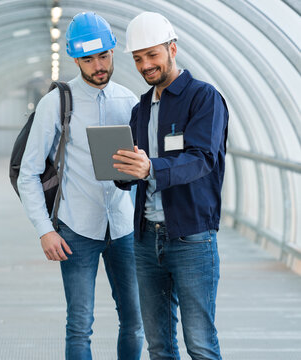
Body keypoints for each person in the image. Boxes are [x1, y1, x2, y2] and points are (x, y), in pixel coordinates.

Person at [18, 12, 144, 360]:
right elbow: (27, 172)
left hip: (124, 228)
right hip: (76, 230)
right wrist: (45, 230)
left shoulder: (130, 102)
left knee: (134, 322)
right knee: (79, 326)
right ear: (76, 59)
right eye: (88, 59)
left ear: (113, 52)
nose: (98, 65)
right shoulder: (56, 103)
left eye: (103, 56)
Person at [112, 12, 229, 360]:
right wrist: (121, 169)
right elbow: (138, 174)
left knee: (201, 344)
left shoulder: (203, 98)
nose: (145, 65)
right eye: (137, 59)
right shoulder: (142, 108)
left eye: (152, 55)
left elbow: (202, 159)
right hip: (147, 239)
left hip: (191, 236)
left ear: (172, 49)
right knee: (159, 345)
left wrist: (151, 166)